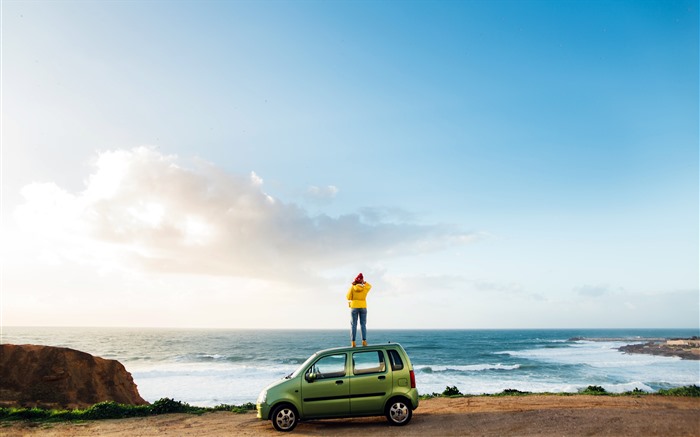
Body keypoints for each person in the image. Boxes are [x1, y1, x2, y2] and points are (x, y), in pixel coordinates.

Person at [346, 273, 372, 347]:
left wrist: (353, 286)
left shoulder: (352, 287)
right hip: (363, 307)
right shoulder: (365, 288)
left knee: (353, 325)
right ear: (361, 280)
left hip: (354, 307)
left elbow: (348, 297)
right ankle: (364, 341)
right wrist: (364, 282)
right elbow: (370, 286)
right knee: (363, 324)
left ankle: (353, 342)